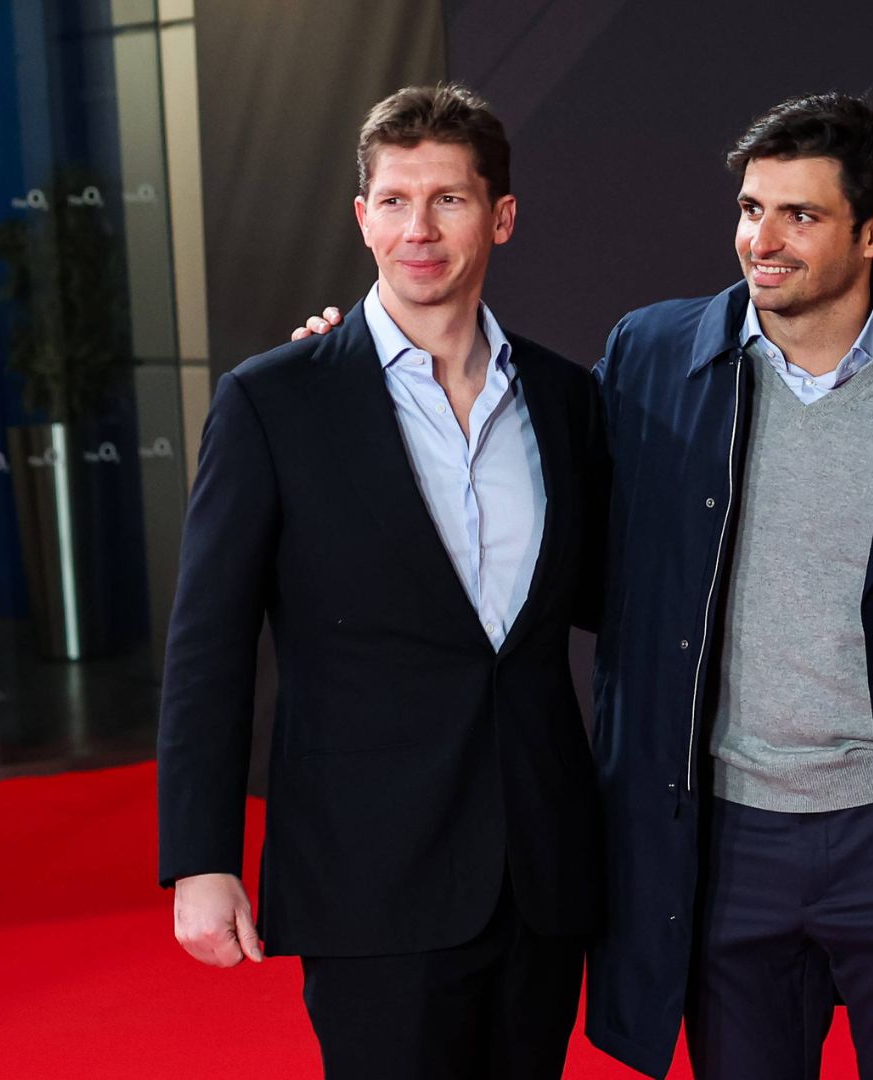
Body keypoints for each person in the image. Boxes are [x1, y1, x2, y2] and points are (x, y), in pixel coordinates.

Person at [156, 83, 608, 1078]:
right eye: (395, 201)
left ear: (501, 217)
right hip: (369, 872)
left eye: (448, 200)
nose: (421, 229)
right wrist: (202, 855)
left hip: (539, 869)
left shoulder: (570, 400)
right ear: (362, 219)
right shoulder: (275, 401)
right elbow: (209, 644)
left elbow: (606, 599)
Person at [582, 94, 873, 1080]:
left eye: (800, 216)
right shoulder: (649, 358)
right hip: (726, 840)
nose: (761, 241)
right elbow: (554, 535)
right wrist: (352, 383)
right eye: (750, 209)